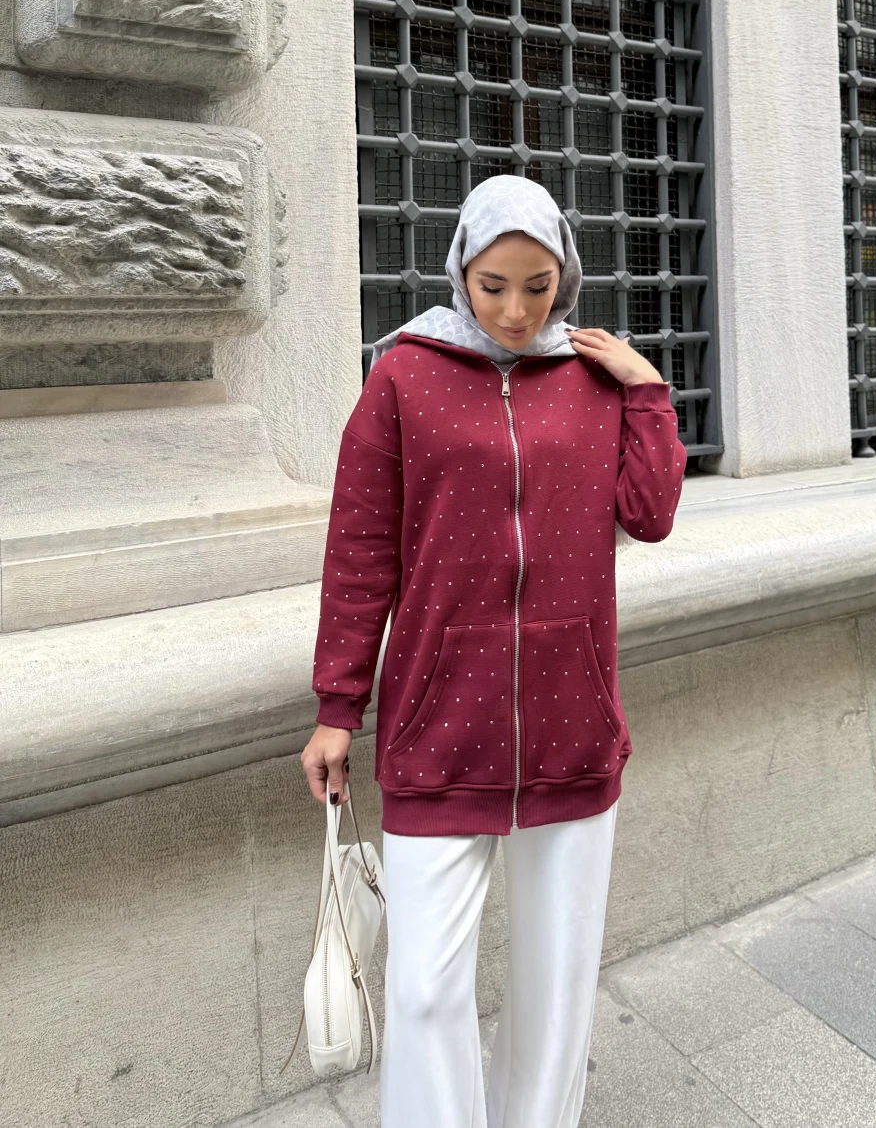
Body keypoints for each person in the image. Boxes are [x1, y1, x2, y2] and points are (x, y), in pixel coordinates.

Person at [301, 174, 686, 1128]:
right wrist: (338, 706)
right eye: (494, 286)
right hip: (439, 726)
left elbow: (650, 514)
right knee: (426, 994)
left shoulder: (594, 381)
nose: (516, 311)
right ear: (460, 273)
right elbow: (360, 551)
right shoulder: (403, 377)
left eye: (538, 287)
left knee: (557, 992)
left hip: (571, 725)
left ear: (566, 277)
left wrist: (647, 391)